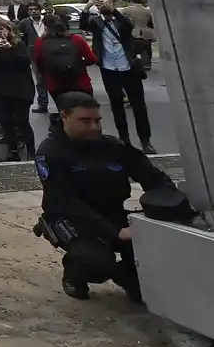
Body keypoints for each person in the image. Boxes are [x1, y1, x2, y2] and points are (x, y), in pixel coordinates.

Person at [36, 92, 178, 302]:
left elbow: (153, 177)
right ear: (65, 117)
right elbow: (65, 201)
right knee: (96, 263)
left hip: (112, 212)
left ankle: (132, 276)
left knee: (156, 250)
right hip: (69, 218)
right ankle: (75, 272)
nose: (94, 127)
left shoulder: (113, 147)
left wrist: (171, 206)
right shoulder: (51, 152)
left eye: (97, 120)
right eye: (85, 121)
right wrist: (115, 232)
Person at [80, 0, 155, 152]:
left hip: (128, 67)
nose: (103, 4)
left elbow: (128, 26)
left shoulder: (121, 19)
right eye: (101, 2)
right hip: (109, 68)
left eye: (106, 1)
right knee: (116, 105)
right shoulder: (96, 22)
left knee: (139, 106)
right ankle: (124, 139)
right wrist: (87, 7)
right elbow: (83, 24)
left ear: (112, 4)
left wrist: (113, 10)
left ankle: (145, 140)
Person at [0, 18, 36, 161]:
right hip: (1, 90)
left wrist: (10, 49)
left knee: (21, 120)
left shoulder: (18, 44)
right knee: (6, 122)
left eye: (1, 29)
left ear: (8, 30)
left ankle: (31, 151)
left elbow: (24, 63)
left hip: (20, 89)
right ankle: (12, 151)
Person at [33, 13, 98, 109]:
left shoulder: (40, 42)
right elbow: (92, 59)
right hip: (80, 83)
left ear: (46, 27)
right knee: (86, 111)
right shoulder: (76, 39)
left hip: (55, 84)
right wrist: (79, 64)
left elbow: (39, 62)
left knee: (65, 112)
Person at [17, 2, 50, 114]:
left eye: (35, 9)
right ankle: (43, 103)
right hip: (34, 55)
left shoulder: (48, 20)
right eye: (30, 9)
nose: (33, 11)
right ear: (28, 12)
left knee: (55, 77)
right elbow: (21, 39)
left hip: (51, 52)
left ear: (40, 10)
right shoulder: (24, 23)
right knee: (40, 79)